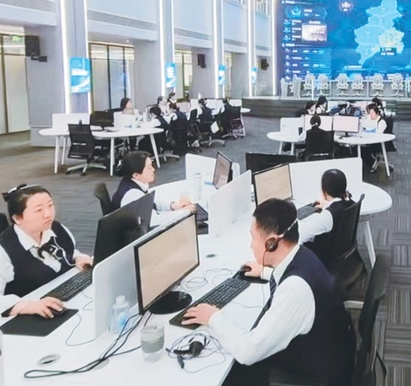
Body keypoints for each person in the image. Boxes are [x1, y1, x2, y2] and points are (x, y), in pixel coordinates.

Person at [182, 198, 355, 385]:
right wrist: (266, 272)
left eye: (253, 237)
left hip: (316, 377)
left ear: (271, 243)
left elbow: (248, 352)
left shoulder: (295, 288)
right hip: (329, 355)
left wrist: (213, 318)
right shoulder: (303, 255)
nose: (250, 245)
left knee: (235, 373)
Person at [0, 185, 92, 320]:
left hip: (60, 303)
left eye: (50, 205)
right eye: (38, 210)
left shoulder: (56, 229)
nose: (48, 214)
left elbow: (67, 251)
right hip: (25, 319)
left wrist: (78, 257)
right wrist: (27, 306)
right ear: (17, 218)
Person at [111, 151, 194, 212]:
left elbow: (151, 204)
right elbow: (155, 221)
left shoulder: (129, 182)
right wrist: (183, 212)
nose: (153, 170)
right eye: (149, 167)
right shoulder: (133, 195)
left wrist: (172, 206)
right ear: (136, 175)